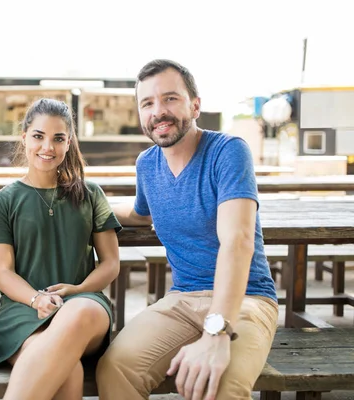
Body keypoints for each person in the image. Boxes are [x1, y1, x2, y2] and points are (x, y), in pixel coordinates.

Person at [96, 59, 278, 400]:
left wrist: (216, 332)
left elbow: (237, 242)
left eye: (170, 99)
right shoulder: (147, 164)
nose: (158, 111)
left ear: (195, 105)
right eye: (147, 103)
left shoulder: (228, 151)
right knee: (116, 368)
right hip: (183, 298)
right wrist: (85, 206)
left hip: (246, 300)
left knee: (220, 386)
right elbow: (139, 214)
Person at [0, 98, 121, 400]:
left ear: (69, 143)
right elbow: (3, 272)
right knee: (68, 371)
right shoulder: (3, 201)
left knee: (77, 314)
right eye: (38, 136)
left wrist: (76, 288)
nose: (47, 147)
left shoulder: (90, 193)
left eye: (58, 138)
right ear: (25, 137)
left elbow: (110, 264)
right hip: (23, 312)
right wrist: (36, 298)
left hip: (85, 303)